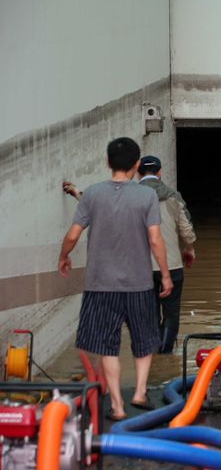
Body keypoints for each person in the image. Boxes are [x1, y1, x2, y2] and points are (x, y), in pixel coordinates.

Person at [58, 137, 172, 420]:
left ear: (108, 163)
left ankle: (118, 406)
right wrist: (166, 275)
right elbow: (155, 240)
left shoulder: (93, 194)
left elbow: (73, 234)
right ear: (136, 165)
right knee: (145, 340)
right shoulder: (146, 196)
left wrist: (63, 256)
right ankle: (140, 392)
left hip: (100, 285)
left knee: (106, 345)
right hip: (139, 283)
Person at [136, 155, 196, 353]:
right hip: (172, 265)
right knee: (171, 313)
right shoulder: (173, 195)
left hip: (142, 267)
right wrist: (189, 249)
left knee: (149, 312)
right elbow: (186, 228)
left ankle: (152, 353)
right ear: (160, 172)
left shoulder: (131, 196)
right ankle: (166, 353)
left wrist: (77, 194)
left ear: (138, 173)